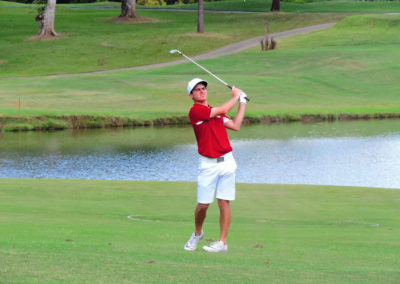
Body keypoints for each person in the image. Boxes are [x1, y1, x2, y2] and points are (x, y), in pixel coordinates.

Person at [184, 78, 247, 253]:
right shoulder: (196, 111)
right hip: (207, 164)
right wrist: (235, 95)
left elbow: (235, 125)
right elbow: (225, 108)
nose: (202, 91)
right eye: (197, 90)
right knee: (203, 205)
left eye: (203, 88)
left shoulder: (216, 113)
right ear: (191, 95)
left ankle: (222, 242)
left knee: (224, 202)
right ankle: (197, 233)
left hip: (227, 161)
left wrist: (242, 103)